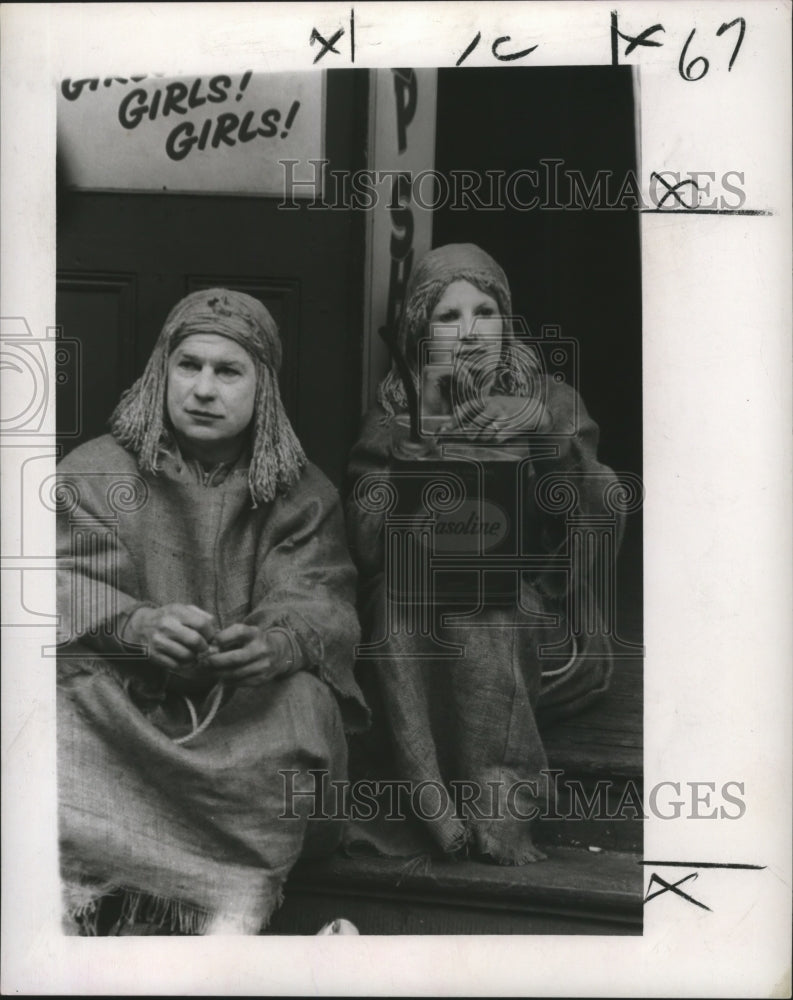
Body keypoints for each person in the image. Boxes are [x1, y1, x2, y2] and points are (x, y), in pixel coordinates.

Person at [56, 288, 369, 935]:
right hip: (132, 714)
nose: (203, 388)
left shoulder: (300, 492)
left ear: (264, 389)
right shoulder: (93, 472)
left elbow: (320, 599)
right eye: (188, 365)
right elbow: (58, 584)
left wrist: (278, 644)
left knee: (305, 710)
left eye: (228, 371)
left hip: (237, 719)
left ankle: (222, 888)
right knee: (48, 708)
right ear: (159, 372)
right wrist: (135, 626)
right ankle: (203, 885)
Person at [346, 243, 623, 865]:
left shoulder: (549, 399)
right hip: (415, 616)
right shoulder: (394, 411)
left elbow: (597, 504)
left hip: (528, 613)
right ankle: (433, 807)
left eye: (486, 311)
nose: (470, 332)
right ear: (421, 329)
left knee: (485, 597)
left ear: (506, 319)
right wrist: (414, 452)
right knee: (403, 603)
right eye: (448, 317)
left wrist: (537, 430)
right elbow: (363, 544)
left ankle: (499, 810)